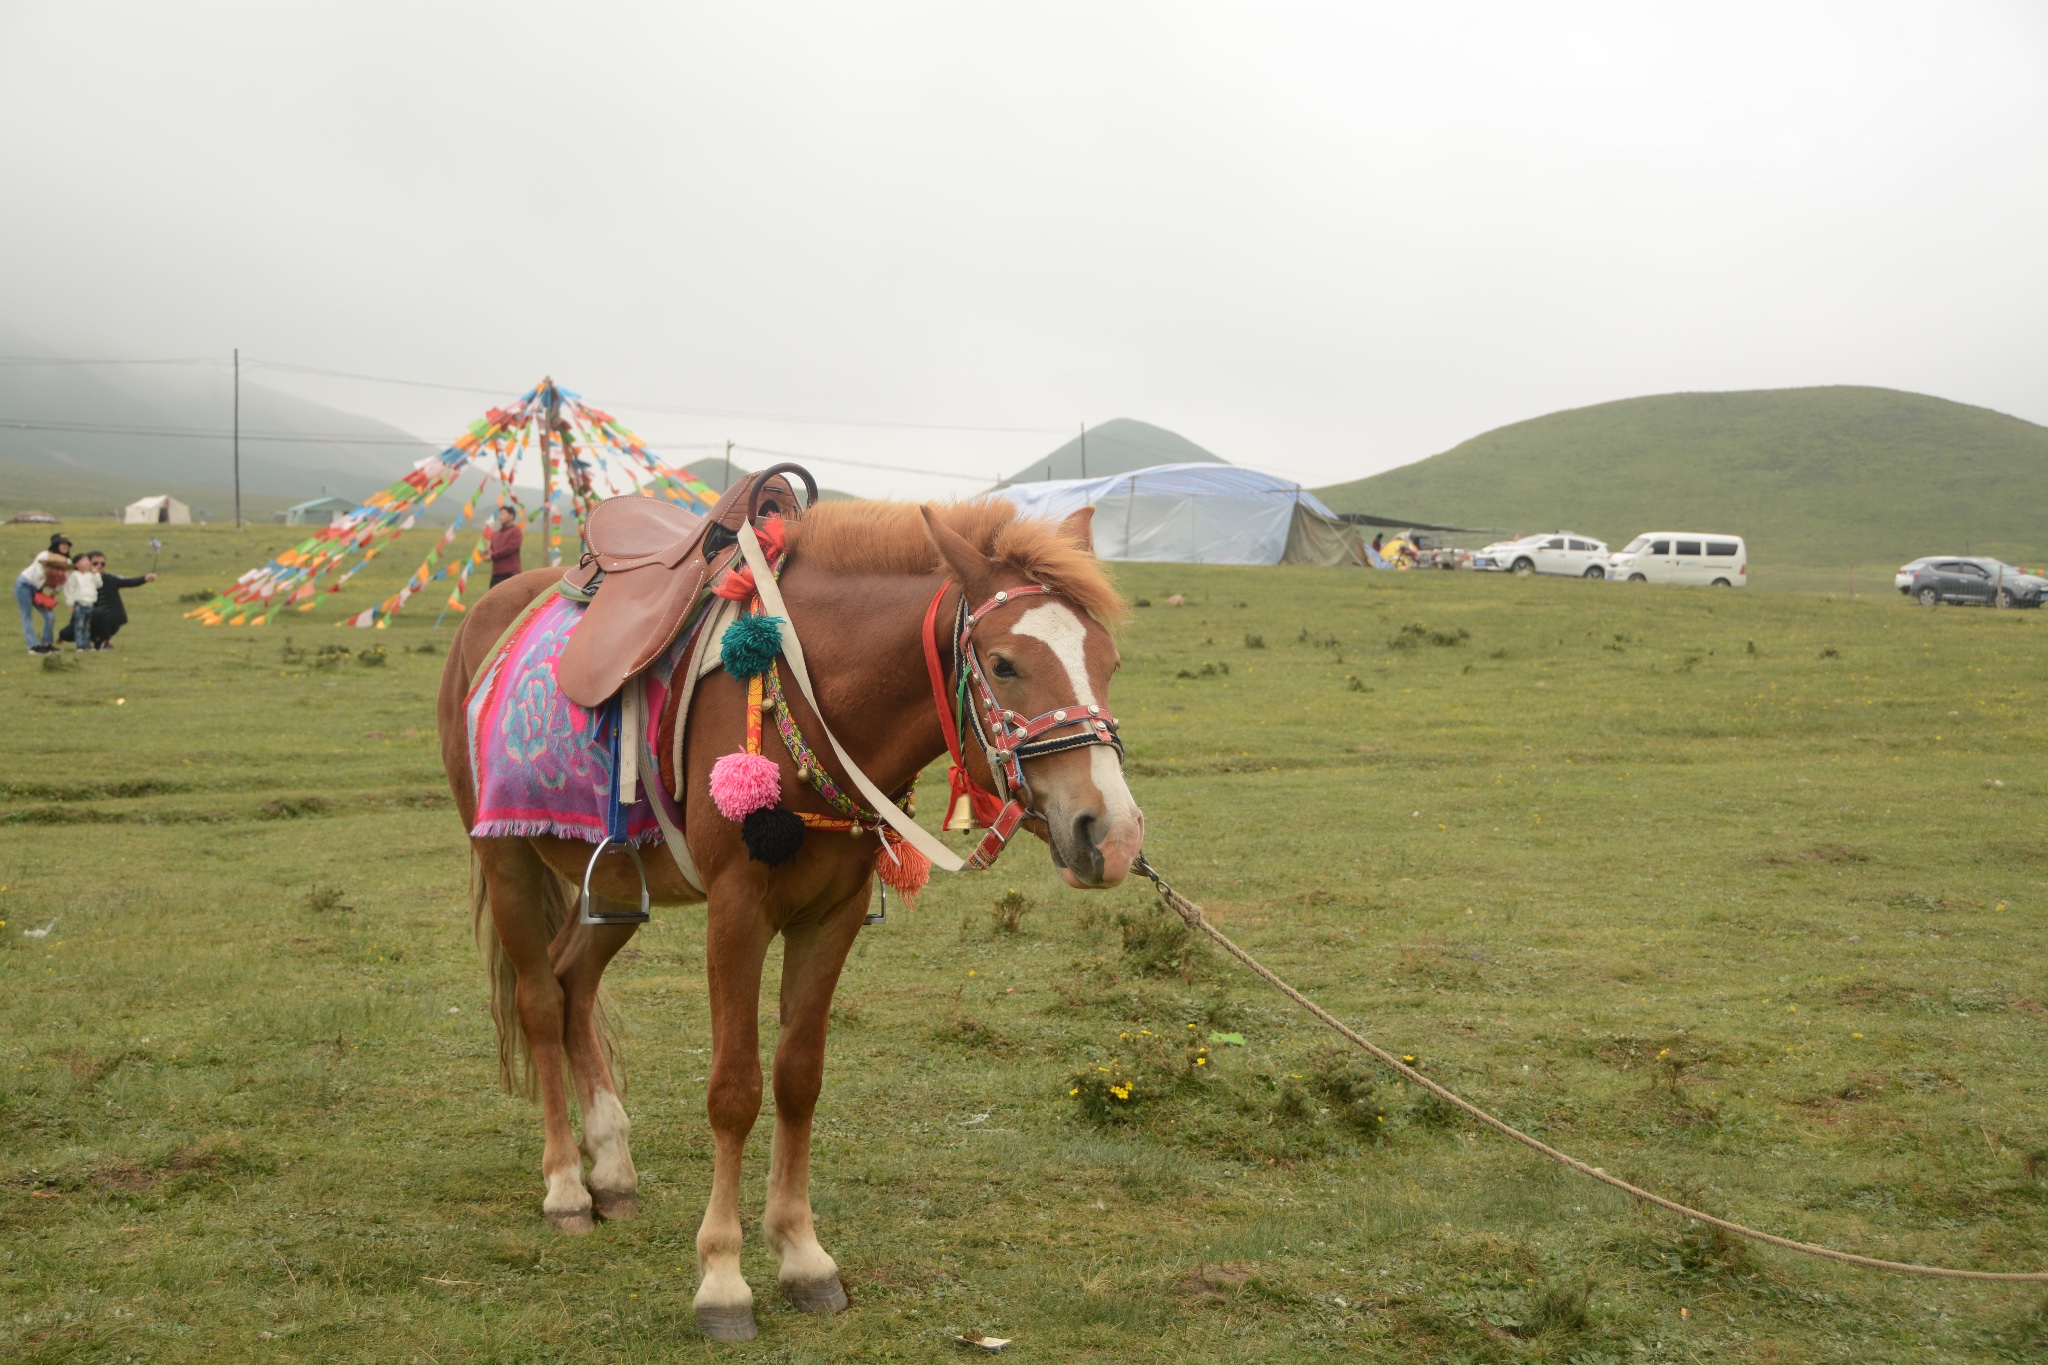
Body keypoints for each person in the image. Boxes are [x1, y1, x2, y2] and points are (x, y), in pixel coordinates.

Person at [15, 533, 73, 654]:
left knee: (49, 616)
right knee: (27, 615)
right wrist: (48, 569)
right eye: (62, 544)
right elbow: (37, 576)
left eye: (67, 544)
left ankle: (47, 643)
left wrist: (55, 592)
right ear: (56, 545)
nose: (65, 546)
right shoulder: (44, 556)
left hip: (38, 590)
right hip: (25, 584)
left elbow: (64, 580)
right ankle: (33, 646)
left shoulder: (66, 561)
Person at [88, 554, 156, 650]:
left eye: (102, 563)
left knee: (99, 613)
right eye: (95, 563)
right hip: (90, 618)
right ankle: (94, 642)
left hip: (111, 619)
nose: (99, 566)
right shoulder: (84, 580)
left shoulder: (111, 579)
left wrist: (145, 578)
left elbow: (129, 582)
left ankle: (107, 642)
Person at [62, 550, 103, 651]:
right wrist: (70, 603)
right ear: (77, 564)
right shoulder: (74, 575)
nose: (87, 563)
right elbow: (69, 589)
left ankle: (87, 645)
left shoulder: (90, 576)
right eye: (83, 560)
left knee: (87, 626)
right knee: (79, 626)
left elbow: (99, 585)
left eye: (87, 560)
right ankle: (80, 645)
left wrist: (96, 574)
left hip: (90, 604)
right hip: (80, 605)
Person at [488, 504, 524, 587]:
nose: (500, 516)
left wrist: (492, 555)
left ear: (511, 516)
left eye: (503, 514)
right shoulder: (495, 534)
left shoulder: (516, 531)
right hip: (496, 574)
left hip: (511, 573)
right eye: (499, 514)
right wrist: (487, 553)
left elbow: (510, 548)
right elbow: (492, 550)